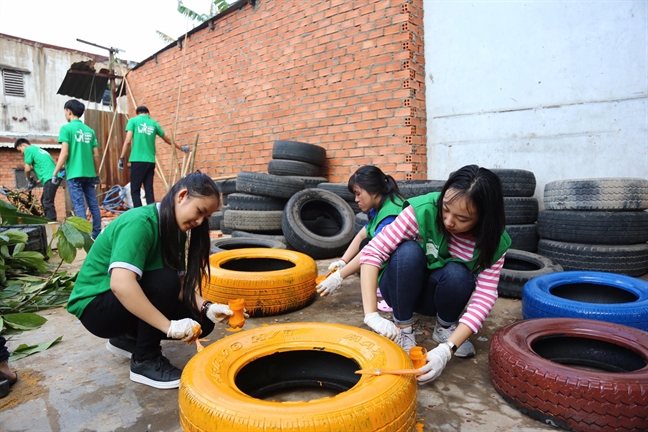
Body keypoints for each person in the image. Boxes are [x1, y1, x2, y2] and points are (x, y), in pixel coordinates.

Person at [66, 172, 237, 389]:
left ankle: (128, 339)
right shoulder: (140, 223)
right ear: (182, 196)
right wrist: (168, 326)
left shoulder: (176, 231)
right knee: (165, 281)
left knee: (202, 321)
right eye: (199, 212)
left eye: (206, 218)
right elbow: (120, 284)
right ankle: (145, 359)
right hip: (96, 308)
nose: (200, 221)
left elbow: (182, 286)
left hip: (117, 305)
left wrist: (208, 307)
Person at [359, 165, 510, 384]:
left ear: (484, 218)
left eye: (463, 218)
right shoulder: (423, 209)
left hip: (435, 298)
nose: (449, 221)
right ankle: (404, 329)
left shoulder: (495, 241)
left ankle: (445, 328)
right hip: (399, 288)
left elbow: (485, 296)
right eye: (445, 208)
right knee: (407, 252)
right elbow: (373, 251)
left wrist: (447, 350)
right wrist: (371, 314)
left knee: (459, 274)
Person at [316, 165, 404, 300]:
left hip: (405, 269)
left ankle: (393, 296)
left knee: (369, 247)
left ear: (373, 191)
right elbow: (363, 233)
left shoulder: (391, 214)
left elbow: (373, 249)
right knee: (365, 242)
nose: (356, 199)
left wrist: (339, 277)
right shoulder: (381, 205)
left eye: (358, 194)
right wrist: (343, 261)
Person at [118, 105, 190, 207]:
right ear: (148, 113)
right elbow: (167, 140)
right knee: (149, 190)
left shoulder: (133, 121)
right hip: (150, 162)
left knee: (135, 190)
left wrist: (121, 158)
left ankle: (139, 215)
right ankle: (151, 212)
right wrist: (181, 148)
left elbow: (128, 141)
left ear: (137, 113)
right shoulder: (154, 123)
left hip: (137, 161)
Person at [53, 99, 102, 239]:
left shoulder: (66, 129)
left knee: (79, 204)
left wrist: (55, 172)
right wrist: (97, 173)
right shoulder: (90, 131)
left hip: (74, 174)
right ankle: (96, 234)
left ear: (69, 111)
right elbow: (96, 155)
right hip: (89, 173)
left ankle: (85, 236)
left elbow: (65, 153)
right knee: (93, 204)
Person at [14, 138, 60, 220]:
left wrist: (28, 179)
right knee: (44, 200)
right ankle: (48, 220)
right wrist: (36, 182)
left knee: (47, 202)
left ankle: (52, 222)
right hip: (55, 177)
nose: (21, 153)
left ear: (24, 145)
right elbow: (48, 170)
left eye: (20, 150)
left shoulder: (28, 149)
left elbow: (27, 169)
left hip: (50, 178)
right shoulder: (39, 150)